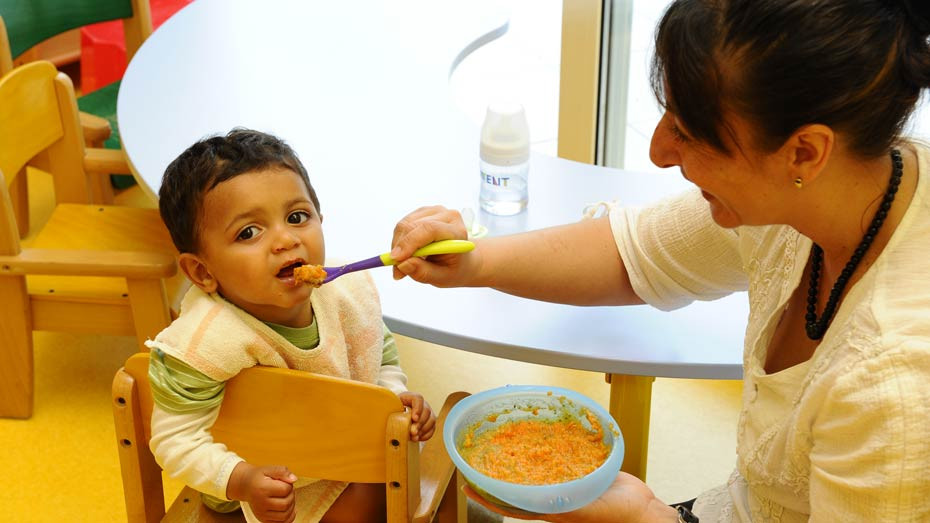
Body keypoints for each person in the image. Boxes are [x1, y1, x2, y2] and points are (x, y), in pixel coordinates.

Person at [389, 0, 930, 521]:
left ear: (804, 152)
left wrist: (645, 519)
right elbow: (636, 252)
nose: (657, 151)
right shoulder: (819, 193)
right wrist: (474, 262)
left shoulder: (892, 389)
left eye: (688, 132)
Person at [148, 128, 436, 523]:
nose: (285, 239)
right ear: (202, 271)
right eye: (249, 232)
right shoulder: (204, 343)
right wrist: (240, 479)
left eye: (297, 217)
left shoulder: (346, 294)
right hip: (255, 490)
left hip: (344, 453)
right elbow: (174, 439)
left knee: (389, 475)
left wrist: (394, 399)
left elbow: (378, 356)